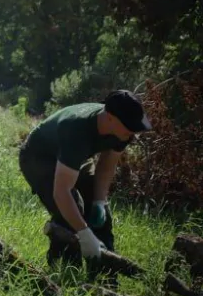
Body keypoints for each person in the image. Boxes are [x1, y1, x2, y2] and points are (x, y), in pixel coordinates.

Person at [18, 90, 151, 276]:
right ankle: (66, 274)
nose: (133, 133)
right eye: (130, 127)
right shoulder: (77, 130)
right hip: (38, 157)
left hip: (73, 156)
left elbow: (106, 166)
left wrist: (98, 201)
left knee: (101, 215)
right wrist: (84, 233)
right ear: (111, 118)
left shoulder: (122, 131)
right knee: (70, 212)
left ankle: (105, 276)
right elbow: (61, 192)